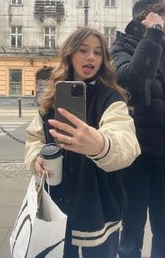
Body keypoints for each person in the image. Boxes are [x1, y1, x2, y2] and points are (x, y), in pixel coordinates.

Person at [24, 27, 141, 258]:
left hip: (97, 208)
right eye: (84, 50)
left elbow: (127, 144)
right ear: (69, 54)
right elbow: (35, 138)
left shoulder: (111, 98)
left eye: (98, 53)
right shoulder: (52, 99)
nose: (91, 58)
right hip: (54, 206)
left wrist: (99, 144)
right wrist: (36, 159)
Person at [110, 0, 165, 258]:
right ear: (147, 18)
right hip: (137, 160)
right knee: (132, 232)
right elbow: (134, 80)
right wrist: (153, 36)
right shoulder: (121, 48)